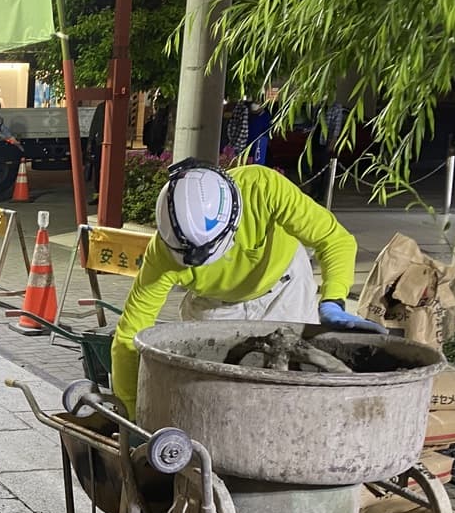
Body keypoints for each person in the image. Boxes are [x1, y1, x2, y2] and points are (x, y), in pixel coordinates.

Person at [109, 160, 385, 417]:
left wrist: (333, 299)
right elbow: (129, 336)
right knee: (214, 396)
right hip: (216, 306)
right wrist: (131, 413)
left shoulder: (261, 188)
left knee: (296, 383)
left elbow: (334, 239)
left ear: (233, 220)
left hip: (285, 288)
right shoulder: (161, 256)